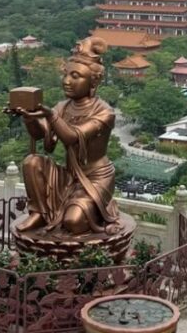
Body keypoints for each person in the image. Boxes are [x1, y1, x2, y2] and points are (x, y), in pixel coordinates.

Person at [10, 36, 120, 236]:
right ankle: (39, 213)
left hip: (95, 178)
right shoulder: (63, 107)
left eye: (75, 76)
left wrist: (50, 115)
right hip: (69, 176)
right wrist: (28, 117)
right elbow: (45, 139)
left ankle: (94, 208)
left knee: (73, 222)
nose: (67, 81)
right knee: (31, 162)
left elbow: (71, 137)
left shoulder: (104, 112)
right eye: (66, 74)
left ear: (93, 81)